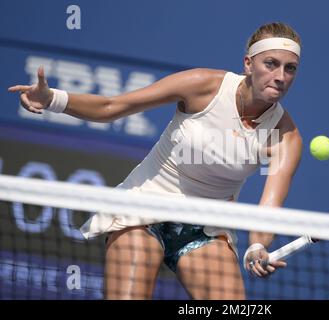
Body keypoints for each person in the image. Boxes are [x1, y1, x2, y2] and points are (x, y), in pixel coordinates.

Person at [8, 22, 303, 300]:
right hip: (145, 208)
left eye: (290, 68)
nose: (280, 76)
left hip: (207, 229)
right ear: (248, 64)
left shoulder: (285, 138)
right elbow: (114, 106)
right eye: (271, 64)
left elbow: (269, 205)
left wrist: (257, 246)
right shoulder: (204, 86)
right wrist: (53, 99)